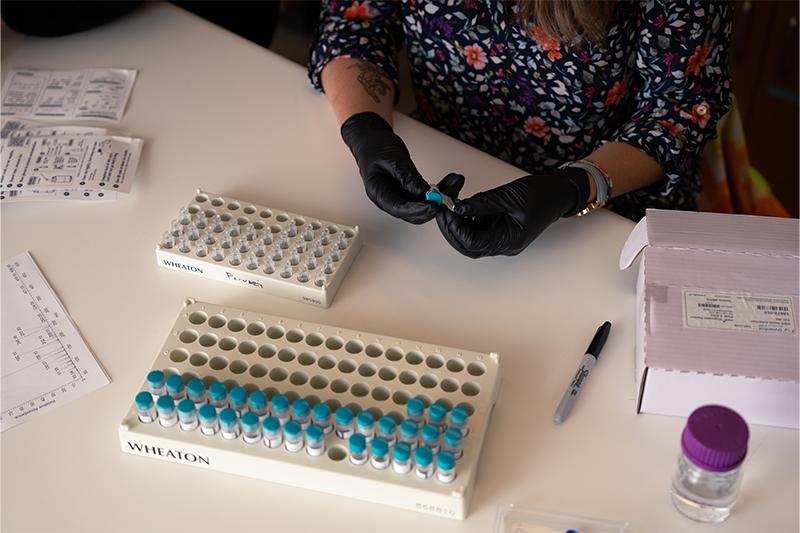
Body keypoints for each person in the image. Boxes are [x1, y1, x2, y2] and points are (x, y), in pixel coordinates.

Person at [308, 0, 733, 258]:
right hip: (443, 158)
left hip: (610, 213)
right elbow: (354, 22)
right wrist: (365, 127)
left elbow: (676, 110)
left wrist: (573, 187)